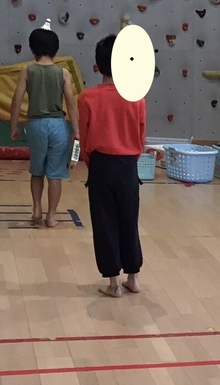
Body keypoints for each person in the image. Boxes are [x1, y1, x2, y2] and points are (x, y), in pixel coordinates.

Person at [78, 35, 146, 298]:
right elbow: (140, 136)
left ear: (97, 66)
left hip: (101, 165)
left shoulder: (87, 98)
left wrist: (92, 163)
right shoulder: (137, 97)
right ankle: (134, 278)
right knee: (129, 220)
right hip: (128, 166)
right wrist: (129, 159)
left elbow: (84, 138)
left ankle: (113, 283)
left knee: (104, 222)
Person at [10, 23, 79, 228]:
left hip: (36, 125)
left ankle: (36, 208)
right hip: (58, 125)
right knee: (55, 173)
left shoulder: (27, 70)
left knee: (37, 170)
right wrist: (76, 131)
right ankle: (51, 216)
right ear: (56, 49)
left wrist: (14, 126)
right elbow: (71, 103)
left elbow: (16, 100)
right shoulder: (63, 73)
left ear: (32, 48)